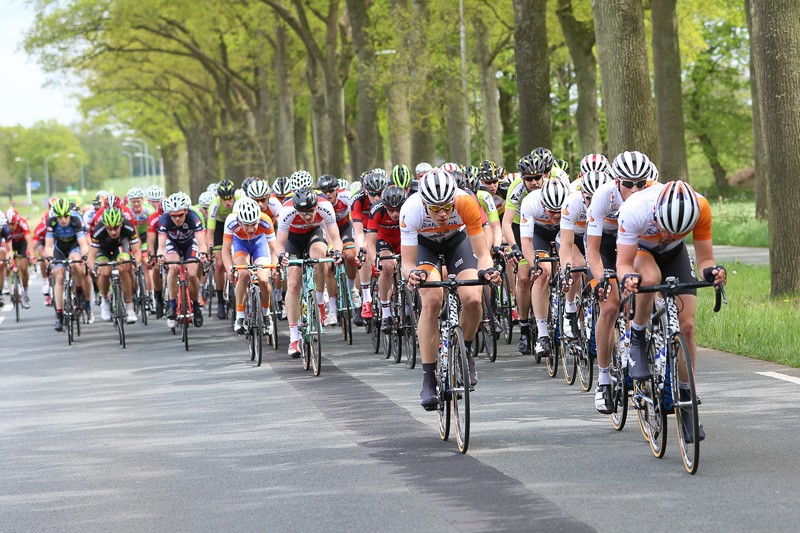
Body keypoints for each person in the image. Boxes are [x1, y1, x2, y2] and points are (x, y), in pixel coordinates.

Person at [617, 180, 726, 443]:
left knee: (687, 327)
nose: (667, 235)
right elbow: (622, 263)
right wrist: (629, 278)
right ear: (656, 214)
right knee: (650, 277)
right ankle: (638, 336)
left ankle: (687, 401)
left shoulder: (700, 208)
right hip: (642, 251)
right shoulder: (635, 209)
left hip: (676, 255)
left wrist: (712, 272)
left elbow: (705, 260)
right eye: (665, 229)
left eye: (678, 231)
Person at [401, 169, 500, 410]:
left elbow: (483, 253)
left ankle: (465, 350)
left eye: (447, 207)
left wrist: (487, 271)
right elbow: (407, 264)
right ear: (425, 203)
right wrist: (412, 275)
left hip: (458, 243)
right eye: (435, 209)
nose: (443, 214)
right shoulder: (411, 210)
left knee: (473, 298)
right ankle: (428, 378)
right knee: (432, 299)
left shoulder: (466, 201)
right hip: (426, 249)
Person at [585, 150, 656, 414]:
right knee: (610, 306)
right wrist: (602, 275)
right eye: (628, 184)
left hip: (634, 242)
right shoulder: (604, 196)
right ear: (617, 182)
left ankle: (639, 346)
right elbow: (591, 250)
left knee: (645, 291)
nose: (635, 189)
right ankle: (604, 379)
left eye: (641, 183)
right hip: (604, 244)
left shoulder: (653, 194)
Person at [274, 187, 344, 357]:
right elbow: (279, 243)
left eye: (311, 212)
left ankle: (320, 303)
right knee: (293, 283)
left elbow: (335, 238)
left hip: (314, 234)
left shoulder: (325, 206)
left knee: (319, 256)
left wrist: (337, 252)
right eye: (303, 213)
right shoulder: (287, 211)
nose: (307, 217)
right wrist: (281, 256)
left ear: (316, 206)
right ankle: (294, 338)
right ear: (296, 209)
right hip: (293, 240)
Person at [502, 151, 552, 355]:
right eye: (528, 179)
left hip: (547, 226)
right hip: (520, 230)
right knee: (523, 277)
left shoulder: (554, 187)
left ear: (544, 176)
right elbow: (506, 223)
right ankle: (523, 328)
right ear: (522, 178)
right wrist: (514, 247)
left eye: (537, 178)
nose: (533, 182)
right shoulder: (516, 189)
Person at [519, 178, 570, 359]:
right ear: (542, 204)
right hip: (539, 233)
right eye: (551, 211)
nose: (555, 216)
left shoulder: (573, 201)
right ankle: (542, 335)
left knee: (573, 268)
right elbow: (526, 242)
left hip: (564, 231)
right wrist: (534, 263)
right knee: (543, 272)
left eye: (559, 211)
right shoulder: (531, 202)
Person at [220, 197, 278, 335]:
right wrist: (230, 269)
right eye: (246, 225)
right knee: (244, 274)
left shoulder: (266, 220)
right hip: (241, 245)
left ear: (258, 220)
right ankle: (239, 317)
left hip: (260, 245)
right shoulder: (231, 221)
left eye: (254, 224)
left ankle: (266, 315)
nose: (251, 229)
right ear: (240, 221)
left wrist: (274, 266)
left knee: (263, 280)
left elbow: (274, 249)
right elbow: (225, 250)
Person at [156, 192, 208, 329]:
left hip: (190, 243)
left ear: (186, 211)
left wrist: (203, 253)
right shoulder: (164, 219)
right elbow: (161, 246)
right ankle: (172, 305)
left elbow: (202, 243)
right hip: (173, 244)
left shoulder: (194, 217)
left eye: (180, 215)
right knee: (173, 268)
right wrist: (160, 255)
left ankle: (196, 307)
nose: (177, 219)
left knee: (192, 273)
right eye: (174, 216)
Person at [87, 207, 142, 324]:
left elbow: (137, 251)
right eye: (109, 229)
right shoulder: (99, 229)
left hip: (120, 247)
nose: (113, 232)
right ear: (104, 226)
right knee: (104, 272)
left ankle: (129, 307)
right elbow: (91, 256)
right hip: (103, 249)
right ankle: (105, 301)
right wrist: (94, 269)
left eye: (116, 228)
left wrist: (135, 263)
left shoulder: (128, 226)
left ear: (121, 224)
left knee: (124, 268)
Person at [44, 198, 91, 331]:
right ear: (56, 216)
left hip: (74, 246)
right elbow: (48, 245)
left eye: (66, 216)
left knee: (75, 263)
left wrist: (84, 256)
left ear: (70, 214)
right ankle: (59, 316)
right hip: (59, 248)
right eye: (60, 217)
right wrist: (50, 258)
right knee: (59, 277)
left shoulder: (76, 221)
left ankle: (80, 291)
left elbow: (83, 243)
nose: (63, 220)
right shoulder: (52, 222)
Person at [317, 174, 359, 324]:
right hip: (328, 231)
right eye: (324, 191)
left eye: (331, 191)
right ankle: (333, 310)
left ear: (337, 190)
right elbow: (324, 227)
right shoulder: (319, 203)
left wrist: (358, 240)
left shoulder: (346, 197)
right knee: (328, 266)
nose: (328, 194)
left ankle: (352, 289)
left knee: (349, 255)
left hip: (345, 228)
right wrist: (331, 248)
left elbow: (355, 220)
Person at [364, 185, 406, 333]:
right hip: (384, 240)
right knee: (387, 266)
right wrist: (375, 263)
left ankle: (408, 306)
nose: (395, 214)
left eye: (398, 209)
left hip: (404, 240)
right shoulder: (377, 210)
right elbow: (370, 241)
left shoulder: (409, 209)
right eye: (391, 210)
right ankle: (386, 313)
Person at [351, 170, 387, 325]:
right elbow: (358, 232)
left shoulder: (390, 198)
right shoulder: (357, 200)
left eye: (380, 194)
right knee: (364, 250)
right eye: (373, 195)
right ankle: (366, 298)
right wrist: (360, 252)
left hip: (381, 228)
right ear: (366, 192)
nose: (378, 198)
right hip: (364, 229)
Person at [207, 179, 238, 319]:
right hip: (219, 228)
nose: (227, 202)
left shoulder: (240, 200)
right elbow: (210, 232)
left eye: (230, 198)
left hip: (237, 226)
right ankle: (220, 300)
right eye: (224, 199)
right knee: (219, 264)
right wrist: (210, 249)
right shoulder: (214, 205)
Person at [1, 208, 36, 308]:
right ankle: (7, 283)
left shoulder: (22, 223)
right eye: (9, 224)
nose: (11, 226)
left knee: (24, 268)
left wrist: (31, 253)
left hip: (21, 244)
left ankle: (25, 293)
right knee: (7, 261)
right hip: (10, 243)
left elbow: (29, 241)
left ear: (17, 220)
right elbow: (7, 248)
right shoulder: (4, 226)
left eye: (13, 224)